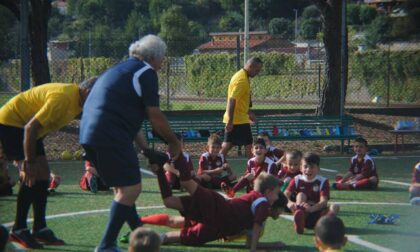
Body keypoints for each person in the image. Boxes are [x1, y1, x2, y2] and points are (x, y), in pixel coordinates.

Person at [80, 34, 181, 252]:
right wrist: (173, 142)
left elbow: (130, 120)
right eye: (162, 59)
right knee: (131, 189)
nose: (162, 65)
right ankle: (106, 245)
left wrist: (146, 150)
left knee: (124, 189)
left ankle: (142, 236)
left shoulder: (120, 70)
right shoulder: (146, 73)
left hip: (90, 133)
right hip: (110, 134)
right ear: (152, 57)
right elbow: (154, 115)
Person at [0, 77, 97, 249]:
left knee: (43, 174)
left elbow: (41, 128)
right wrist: (28, 162)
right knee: (31, 175)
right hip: (12, 124)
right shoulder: (64, 98)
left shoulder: (76, 101)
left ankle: (39, 228)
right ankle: (19, 228)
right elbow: (31, 127)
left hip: (27, 129)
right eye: (99, 95)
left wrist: (36, 157)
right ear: (88, 92)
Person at [142, 148, 284, 251]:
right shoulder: (262, 202)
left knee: (169, 201)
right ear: (268, 192)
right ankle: (177, 151)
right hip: (216, 207)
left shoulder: (257, 203)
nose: (277, 197)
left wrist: (273, 245)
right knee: (186, 183)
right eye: (277, 193)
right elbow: (257, 226)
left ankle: (160, 168)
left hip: (215, 220)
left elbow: (250, 237)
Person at [139, 191, 288, 248]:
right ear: (273, 207)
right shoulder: (260, 215)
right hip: (216, 225)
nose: (281, 213)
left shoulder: (257, 200)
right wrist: (274, 245)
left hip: (214, 210)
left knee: (175, 221)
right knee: (182, 236)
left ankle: (140, 220)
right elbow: (251, 244)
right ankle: (145, 240)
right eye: (282, 209)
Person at [285, 152, 339, 234]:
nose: (308, 169)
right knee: (300, 195)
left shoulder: (323, 181)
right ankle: (300, 220)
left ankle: (327, 223)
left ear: (318, 169)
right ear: (301, 168)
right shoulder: (297, 179)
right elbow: (285, 195)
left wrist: (311, 208)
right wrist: (290, 203)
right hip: (304, 214)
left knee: (335, 206)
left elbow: (323, 202)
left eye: (312, 167)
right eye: (305, 166)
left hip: (317, 214)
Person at [221, 57, 263, 158]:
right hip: (237, 120)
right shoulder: (242, 80)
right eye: (257, 70)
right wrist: (230, 121)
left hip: (239, 118)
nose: (257, 73)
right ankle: (253, 168)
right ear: (250, 66)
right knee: (248, 145)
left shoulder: (242, 75)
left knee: (229, 144)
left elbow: (240, 101)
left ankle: (215, 162)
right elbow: (232, 100)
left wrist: (248, 112)